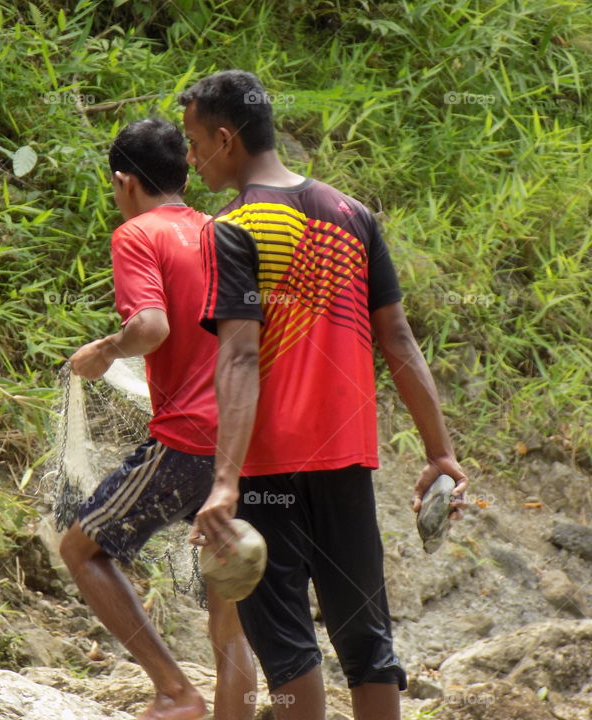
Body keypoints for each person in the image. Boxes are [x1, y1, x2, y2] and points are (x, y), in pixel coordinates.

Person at [180, 71, 469, 720]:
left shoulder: (233, 227)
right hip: (346, 463)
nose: (192, 159)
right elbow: (398, 339)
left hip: (267, 470)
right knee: (368, 645)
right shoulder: (353, 215)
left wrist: (224, 482)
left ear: (226, 139)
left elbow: (240, 353)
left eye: (196, 143)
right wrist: (439, 453)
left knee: (285, 651)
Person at [58, 117, 255, 720]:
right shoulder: (219, 231)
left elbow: (150, 328)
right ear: (183, 172)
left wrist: (102, 352)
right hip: (243, 443)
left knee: (81, 550)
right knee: (228, 611)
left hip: (188, 441)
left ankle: (174, 690)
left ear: (124, 182)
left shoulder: (138, 235)